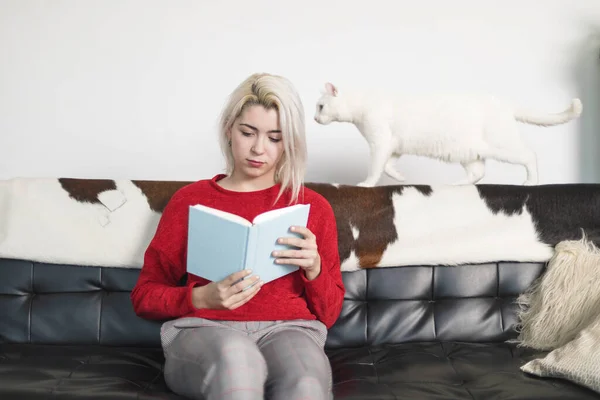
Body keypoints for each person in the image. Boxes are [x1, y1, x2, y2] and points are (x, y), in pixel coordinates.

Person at [131, 72, 345, 400]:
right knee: (238, 365)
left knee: (306, 384)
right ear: (230, 129)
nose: (259, 148)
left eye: (275, 137)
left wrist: (314, 269)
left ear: (290, 143)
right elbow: (144, 296)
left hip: (289, 330)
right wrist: (199, 298)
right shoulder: (189, 201)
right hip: (205, 330)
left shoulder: (312, 207)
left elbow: (329, 314)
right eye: (248, 132)